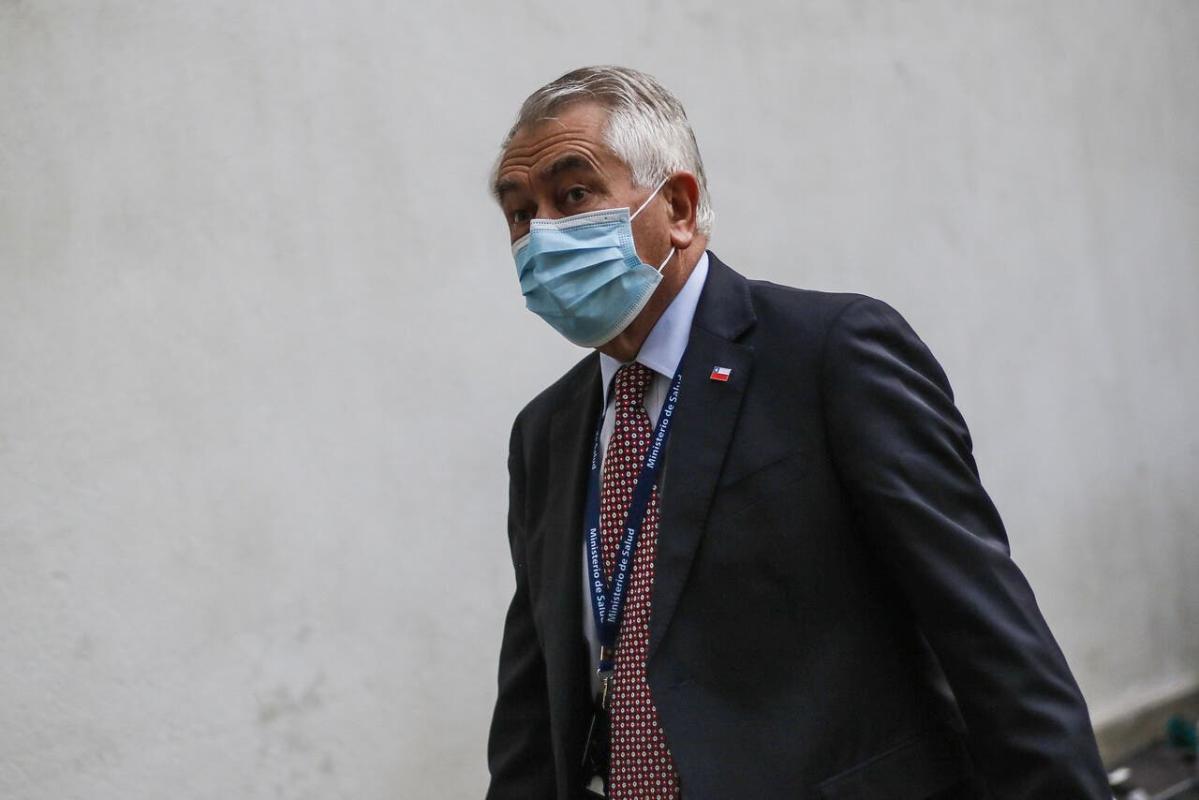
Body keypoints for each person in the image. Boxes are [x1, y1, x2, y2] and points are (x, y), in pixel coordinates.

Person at [484, 65, 1110, 800]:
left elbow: (987, 633)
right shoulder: (545, 433)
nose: (541, 235)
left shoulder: (829, 354)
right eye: (520, 213)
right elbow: (534, 703)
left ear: (678, 206)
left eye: (573, 195)